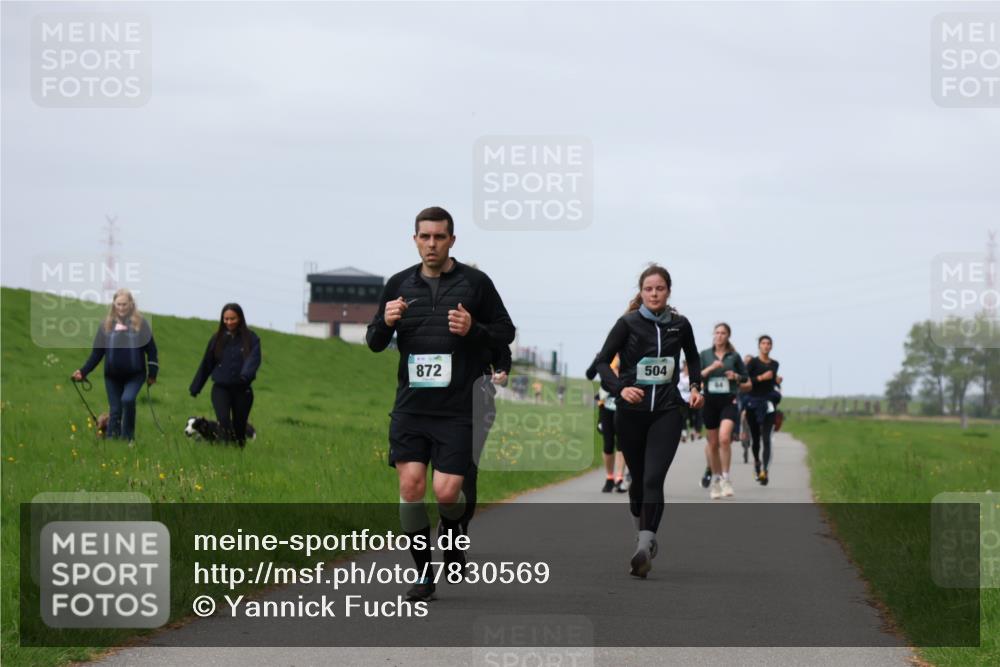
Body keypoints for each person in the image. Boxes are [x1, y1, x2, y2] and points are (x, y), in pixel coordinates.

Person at [366, 206, 515, 602]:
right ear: (415, 240)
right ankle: (423, 575)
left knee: (447, 493)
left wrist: (473, 329)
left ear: (452, 240)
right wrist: (385, 321)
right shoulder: (398, 284)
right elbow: (374, 342)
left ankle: (452, 536)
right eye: (425, 237)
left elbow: (505, 332)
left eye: (439, 237)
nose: (431, 244)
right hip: (411, 408)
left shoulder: (476, 284)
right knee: (411, 486)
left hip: (457, 410)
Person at [591, 264, 702, 578]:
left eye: (660, 289)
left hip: (667, 411)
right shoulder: (627, 323)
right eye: (648, 289)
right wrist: (620, 389)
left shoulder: (680, 325)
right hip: (631, 414)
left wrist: (696, 387)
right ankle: (643, 534)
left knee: (653, 479)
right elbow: (602, 362)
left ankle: (643, 546)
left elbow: (693, 357)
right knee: (638, 481)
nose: (654, 294)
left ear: (669, 291)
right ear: (641, 292)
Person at [72, 288, 158, 444]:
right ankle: (112, 442)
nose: (121, 308)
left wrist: (152, 373)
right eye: (118, 304)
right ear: (114, 304)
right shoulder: (105, 325)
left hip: (135, 375)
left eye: (124, 304)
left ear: (131, 304)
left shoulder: (141, 324)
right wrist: (83, 372)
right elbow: (97, 353)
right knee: (115, 409)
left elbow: (151, 350)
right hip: (112, 377)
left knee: (128, 400)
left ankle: (128, 439)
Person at [189, 303, 261, 447]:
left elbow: (254, 359)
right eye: (226, 319)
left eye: (232, 319)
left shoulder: (251, 338)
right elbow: (207, 363)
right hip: (220, 388)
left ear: (240, 318)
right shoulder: (216, 339)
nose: (229, 322)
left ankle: (238, 451)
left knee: (239, 426)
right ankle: (225, 451)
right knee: (223, 421)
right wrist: (196, 387)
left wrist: (245, 376)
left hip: (242, 390)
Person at [462, 341, 512, 535]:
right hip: (429, 403)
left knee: (468, 466)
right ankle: (449, 516)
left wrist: (502, 370)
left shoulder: (483, 325)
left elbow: (502, 347)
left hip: (478, 403)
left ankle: (460, 526)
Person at [699, 323, 750, 499]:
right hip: (710, 401)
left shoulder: (734, 356)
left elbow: (745, 378)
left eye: (723, 333)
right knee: (713, 443)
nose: (719, 336)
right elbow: (696, 375)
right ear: (713, 335)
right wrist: (711, 368)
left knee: (724, 438)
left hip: (728, 400)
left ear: (728, 336)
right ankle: (716, 479)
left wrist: (735, 376)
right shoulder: (705, 354)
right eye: (717, 332)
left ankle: (726, 479)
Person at [586, 354, 628, 493]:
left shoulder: (629, 353)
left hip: (624, 403)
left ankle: (619, 478)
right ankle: (609, 478)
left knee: (622, 442)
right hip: (606, 404)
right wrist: (598, 361)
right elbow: (589, 374)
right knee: (608, 443)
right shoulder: (604, 355)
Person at [746, 335, 781, 485]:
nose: (766, 346)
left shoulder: (775, 364)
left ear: (771, 346)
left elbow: (772, 381)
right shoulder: (753, 362)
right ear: (759, 346)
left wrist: (776, 380)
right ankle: (757, 462)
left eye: (768, 343)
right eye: (763, 343)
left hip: (768, 404)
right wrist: (760, 378)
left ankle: (765, 471)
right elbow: (746, 381)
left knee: (767, 439)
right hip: (753, 403)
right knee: (755, 439)